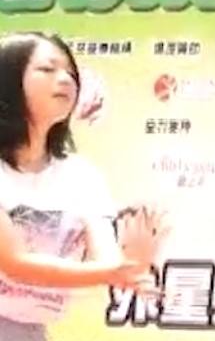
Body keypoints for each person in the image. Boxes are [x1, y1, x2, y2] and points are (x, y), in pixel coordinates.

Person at [0, 32, 155, 341]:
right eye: (47, 69)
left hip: (30, 331)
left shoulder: (82, 175)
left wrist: (130, 264)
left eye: (71, 73)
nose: (66, 79)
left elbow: (106, 260)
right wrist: (113, 272)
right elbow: (14, 263)